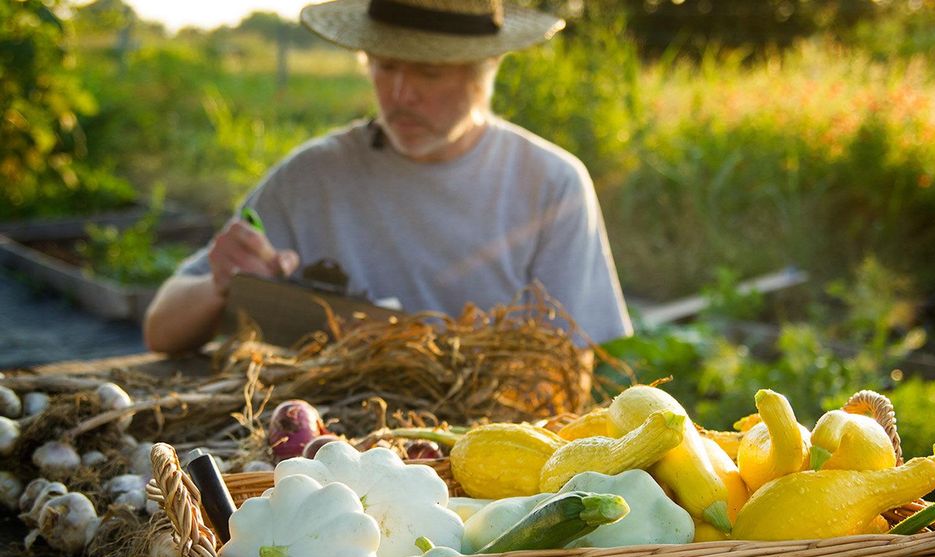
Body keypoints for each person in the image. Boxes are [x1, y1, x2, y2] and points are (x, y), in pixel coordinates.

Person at [143, 0, 634, 354]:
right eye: (386, 66)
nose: (401, 93)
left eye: (428, 72)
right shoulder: (313, 177)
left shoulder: (551, 183)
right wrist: (223, 283)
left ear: (486, 69)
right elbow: (161, 330)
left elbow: (568, 375)